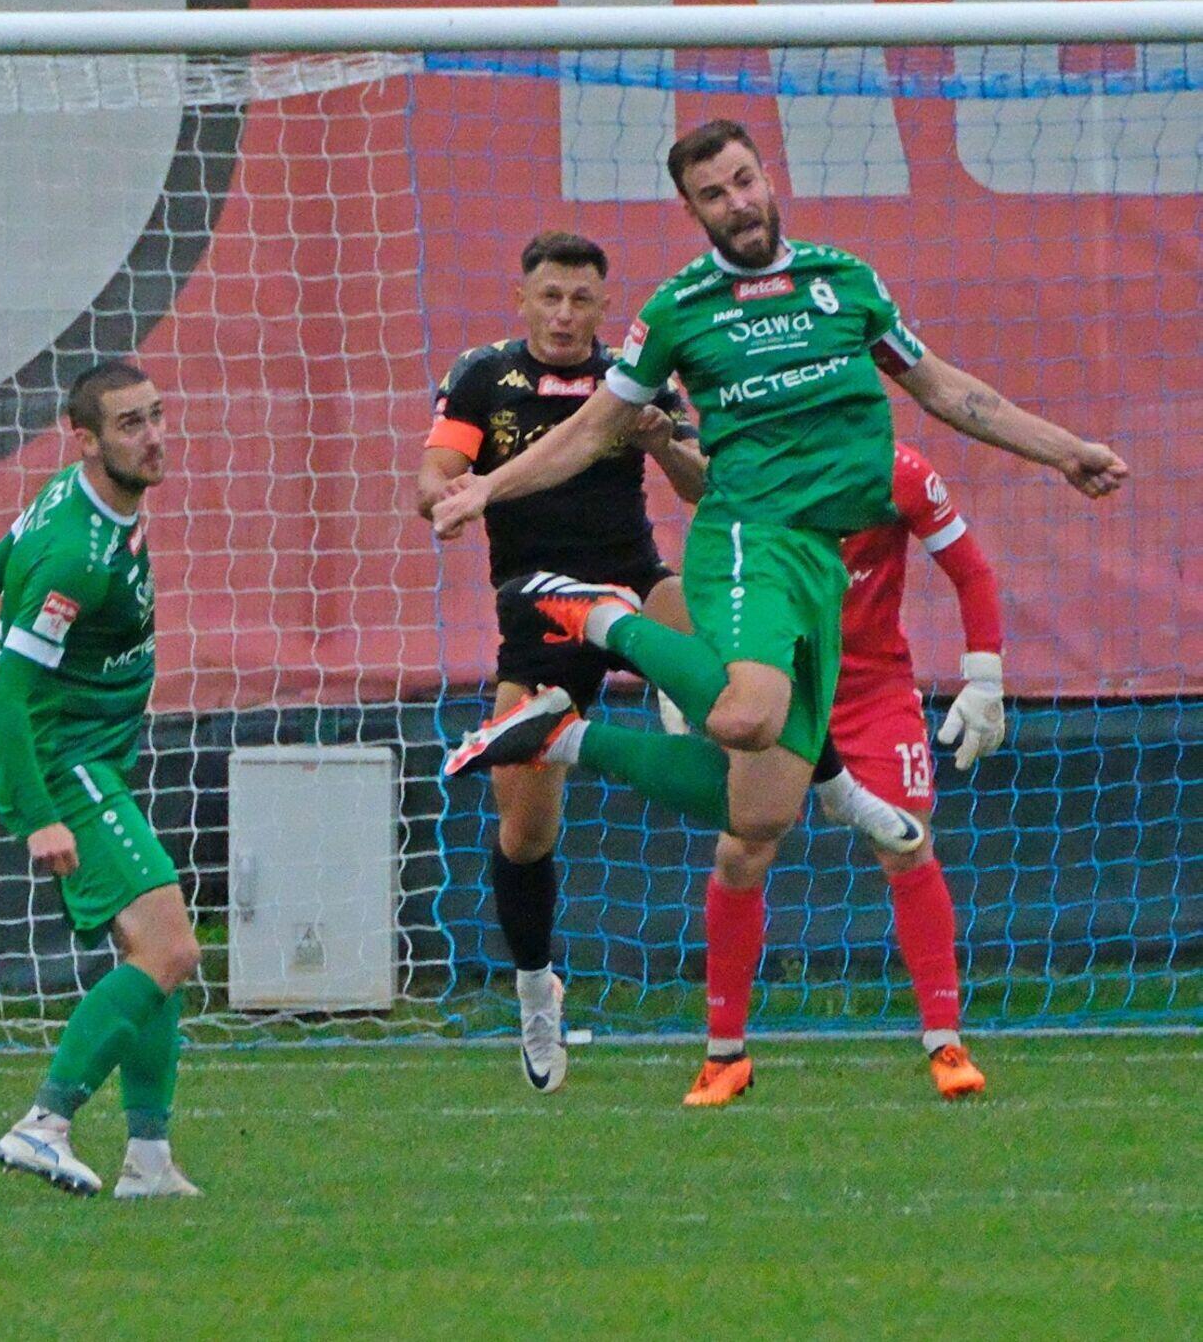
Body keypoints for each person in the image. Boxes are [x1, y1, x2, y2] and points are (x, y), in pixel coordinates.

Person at [432, 119, 1126, 994]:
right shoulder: (679, 310)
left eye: (743, 181)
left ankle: (568, 736)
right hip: (746, 540)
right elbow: (590, 429)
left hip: (819, 562)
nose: (737, 202)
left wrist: (1064, 450)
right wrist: (488, 489)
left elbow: (948, 390)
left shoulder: (845, 282)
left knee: (755, 811)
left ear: (768, 178)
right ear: (691, 211)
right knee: (745, 720)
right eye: (713, 194)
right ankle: (599, 617)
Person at [421, 232, 922, 1090]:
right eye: (550, 297)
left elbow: (702, 486)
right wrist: (447, 498)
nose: (565, 314)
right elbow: (436, 474)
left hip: (635, 579)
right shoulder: (483, 377)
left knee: (751, 671)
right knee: (526, 833)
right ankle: (537, 991)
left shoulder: (635, 375)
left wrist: (660, 441)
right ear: (522, 299)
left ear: (603, 307)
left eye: (581, 299)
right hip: (538, 603)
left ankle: (837, 786)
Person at [0, 360, 200, 1197]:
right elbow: (3, 697)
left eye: (156, 415)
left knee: (150, 952)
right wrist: (43, 815)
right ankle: (43, 1124)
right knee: (171, 947)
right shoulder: (76, 559)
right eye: (130, 424)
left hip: (91, 755)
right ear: (85, 440)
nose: (153, 437)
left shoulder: (76, 496)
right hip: (63, 764)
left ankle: (148, 1161)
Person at [684, 441, 1005, 1108]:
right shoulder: (757, 466)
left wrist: (985, 677)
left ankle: (947, 1044)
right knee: (742, 851)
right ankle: (724, 1055)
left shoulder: (901, 472)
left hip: (872, 690)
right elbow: (715, 574)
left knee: (907, 843)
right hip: (781, 685)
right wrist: (693, 667)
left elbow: (971, 571)